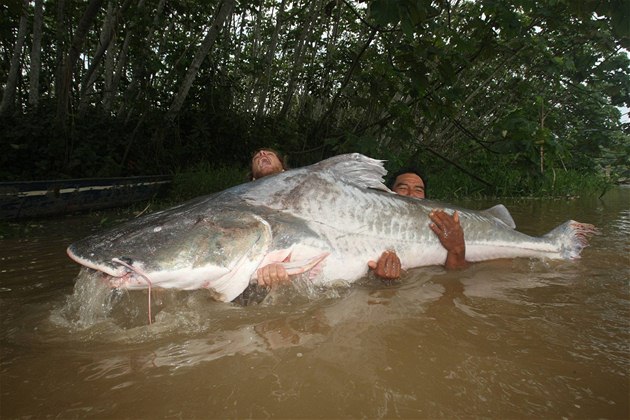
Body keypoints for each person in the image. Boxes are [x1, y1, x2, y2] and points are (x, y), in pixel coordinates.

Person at [367, 168, 468, 280]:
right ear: (388, 194)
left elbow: (457, 279)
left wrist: (457, 248)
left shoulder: (440, 225)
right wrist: (383, 282)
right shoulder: (372, 222)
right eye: (403, 188)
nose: (411, 194)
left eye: (418, 190)